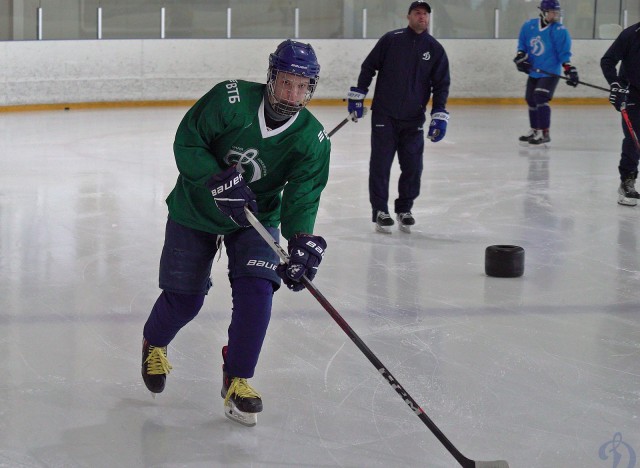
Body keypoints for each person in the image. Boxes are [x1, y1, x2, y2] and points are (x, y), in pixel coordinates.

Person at [140, 39, 331, 427]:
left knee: (257, 291)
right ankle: (153, 342)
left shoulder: (312, 138)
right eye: (285, 83)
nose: (292, 94)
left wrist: (299, 241)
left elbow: (304, 195)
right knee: (185, 300)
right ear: (271, 77)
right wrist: (215, 178)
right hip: (197, 206)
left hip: (255, 217)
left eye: (301, 86)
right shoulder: (230, 100)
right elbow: (188, 141)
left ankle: (238, 378)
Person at [347, 1, 450, 234]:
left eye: (425, 14)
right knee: (381, 165)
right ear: (408, 16)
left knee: (413, 166)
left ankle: (404, 208)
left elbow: (441, 85)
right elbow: (368, 66)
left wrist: (439, 114)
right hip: (385, 114)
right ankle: (380, 211)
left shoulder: (434, 49)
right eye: (417, 13)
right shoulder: (391, 40)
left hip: (413, 119)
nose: (422, 17)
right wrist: (358, 93)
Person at [513, 0, 579, 146]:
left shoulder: (560, 30)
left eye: (557, 12)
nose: (555, 15)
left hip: (550, 72)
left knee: (540, 98)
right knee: (530, 99)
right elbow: (522, 46)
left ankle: (545, 132)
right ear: (543, 12)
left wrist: (569, 69)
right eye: (552, 12)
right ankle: (535, 130)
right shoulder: (528, 26)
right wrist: (520, 57)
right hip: (534, 71)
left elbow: (564, 53)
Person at [601, 23, 640, 206]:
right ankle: (627, 181)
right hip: (632, 94)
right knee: (633, 137)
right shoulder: (631, 34)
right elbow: (608, 60)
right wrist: (615, 84)